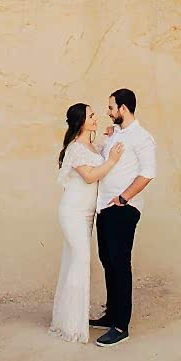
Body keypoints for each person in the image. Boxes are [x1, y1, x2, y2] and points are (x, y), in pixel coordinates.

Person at [49, 102, 124, 343]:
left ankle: (69, 319)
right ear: (81, 121)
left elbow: (101, 152)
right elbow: (90, 176)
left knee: (76, 262)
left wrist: (112, 136)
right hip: (73, 212)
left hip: (87, 214)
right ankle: (71, 326)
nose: (96, 119)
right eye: (91, 116)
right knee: (79, 261)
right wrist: (111, 161)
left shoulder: (92, 146)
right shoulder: (75, 148)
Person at [92, 88, 157, 347]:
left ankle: (121, 326)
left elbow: (148, 173)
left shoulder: (142, 138)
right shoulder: (115, 135)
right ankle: (111, 315)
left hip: (123, 209)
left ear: (123, 108)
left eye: (111, 108)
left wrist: (123, 198)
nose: (108, 112)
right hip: (104, 208)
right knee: (107, 260)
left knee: (120, 264)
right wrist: (107, 135)